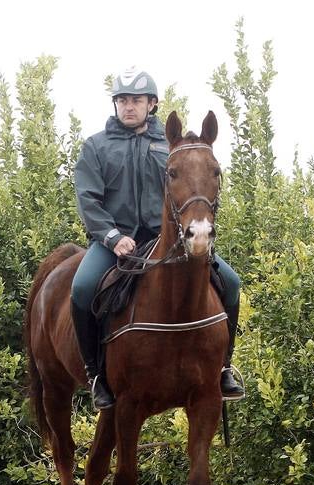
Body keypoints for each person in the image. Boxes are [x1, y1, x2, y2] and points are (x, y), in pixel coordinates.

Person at [70, 66, 245, 410]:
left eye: (136, 100)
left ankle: (223, 369)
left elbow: (192, 188)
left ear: (152, 104)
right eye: (122, 100)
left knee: (231, 282)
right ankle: (96, 375)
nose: (128, 106)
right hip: (116, 242)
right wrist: (111, 236)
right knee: (82, 288)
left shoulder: (171, 147)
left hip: (168, 239)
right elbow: (87, 199)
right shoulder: (96, 146)